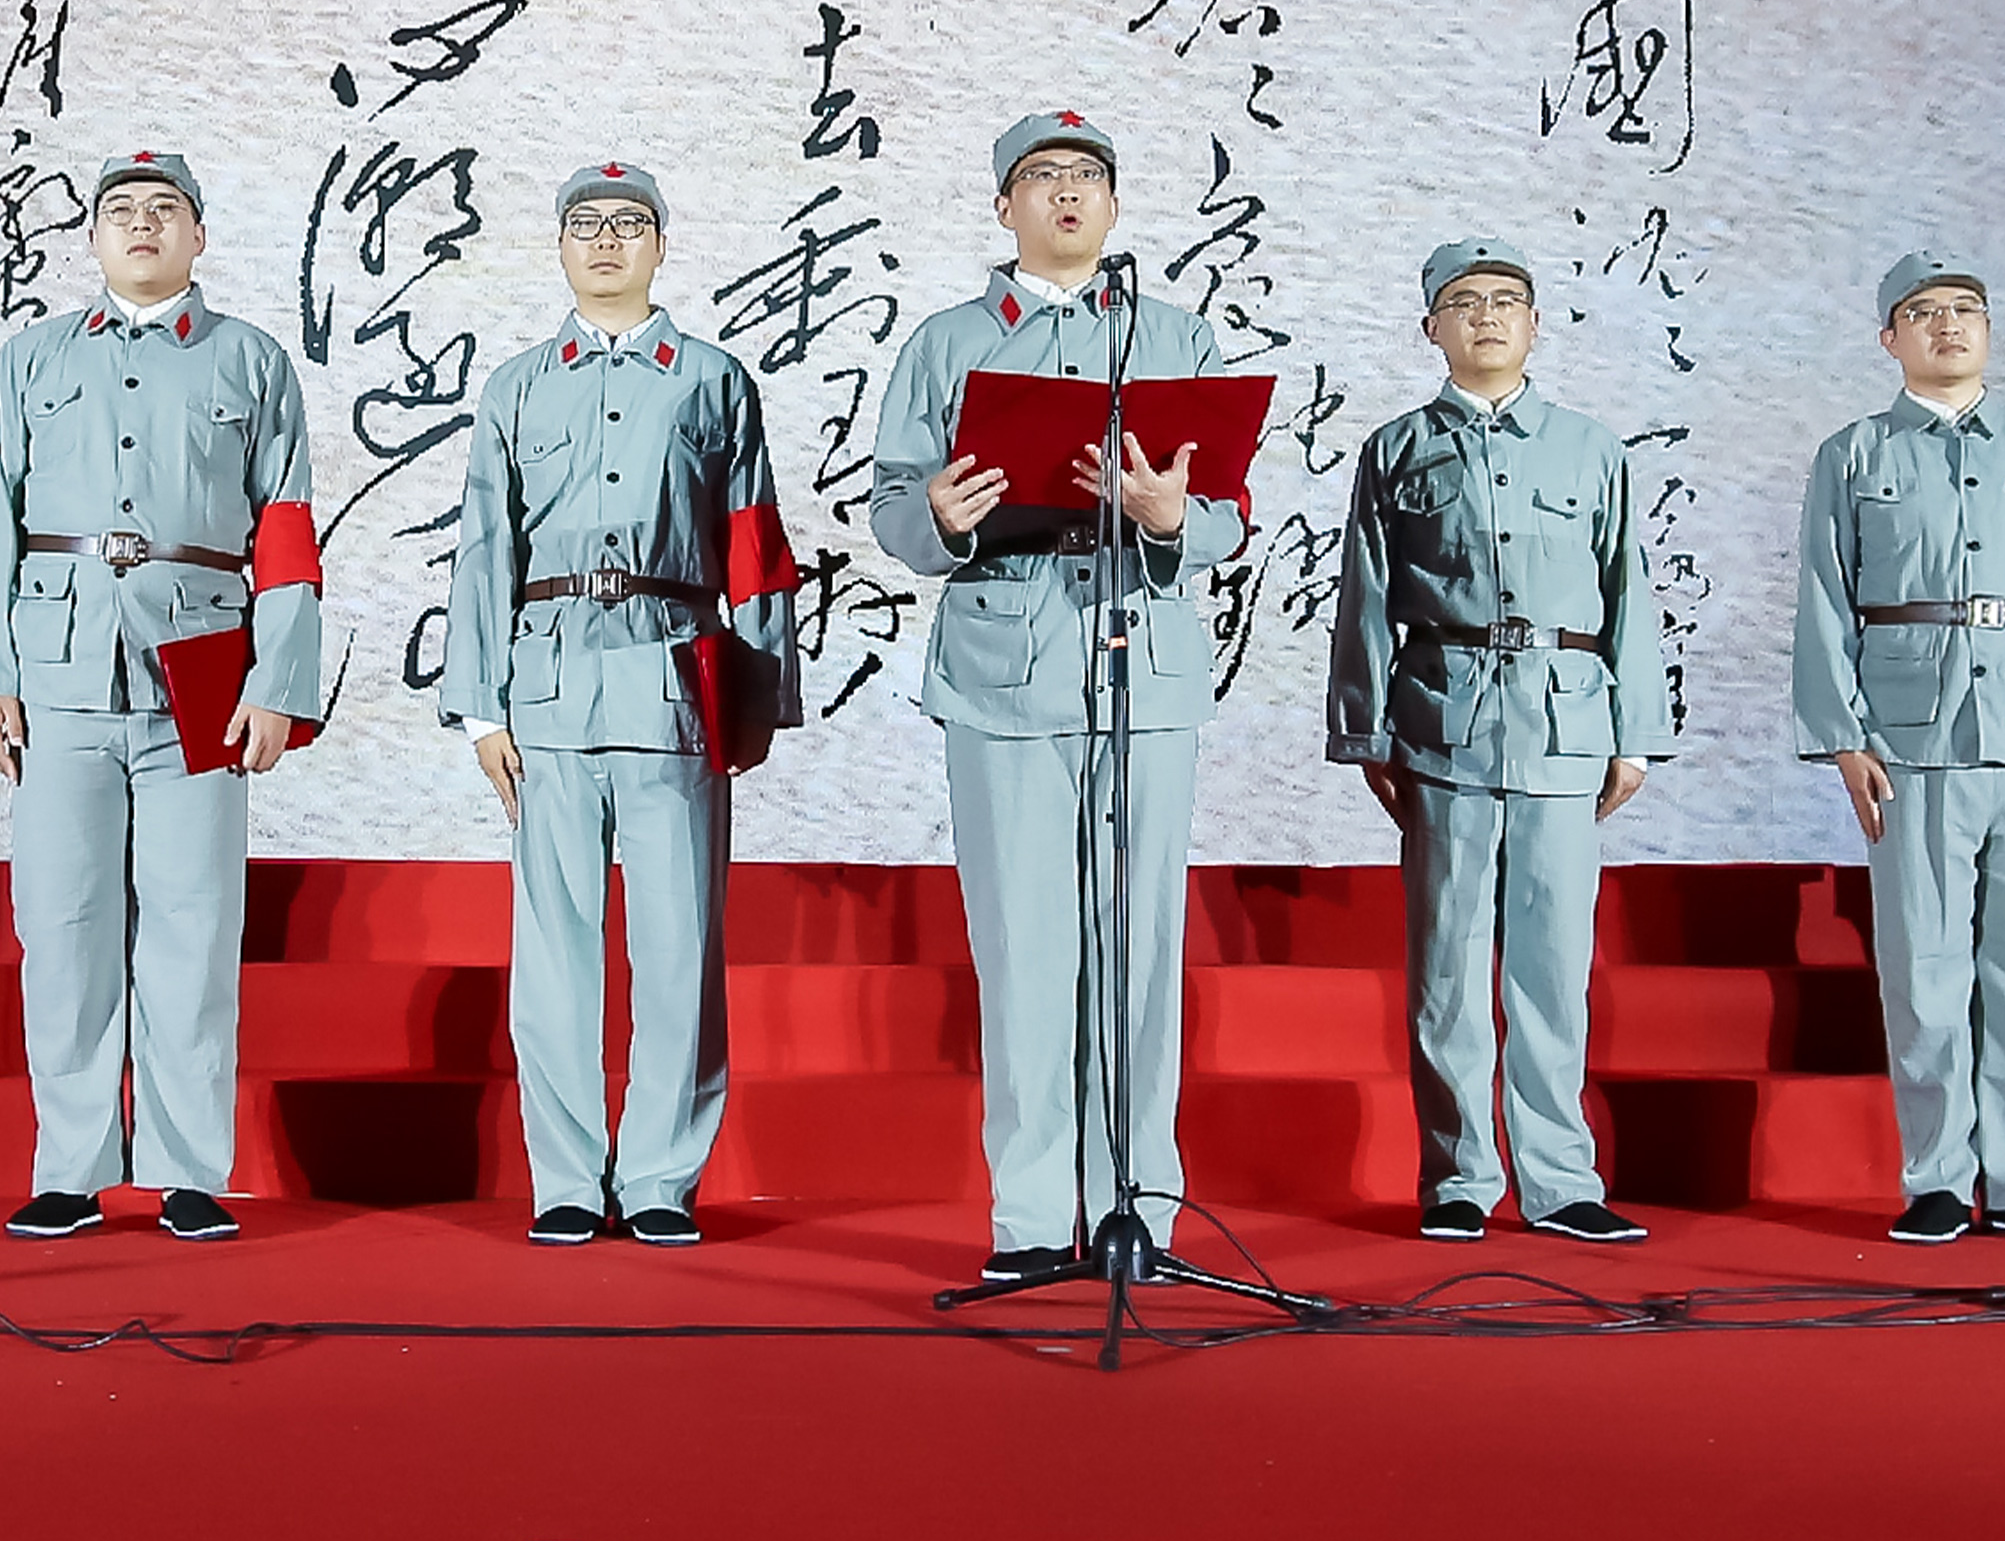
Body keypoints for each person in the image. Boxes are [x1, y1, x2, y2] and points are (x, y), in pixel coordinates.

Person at [870, 112, 1243, 1284]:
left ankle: (1139, 1207)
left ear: (1115, 204)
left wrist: (1174, 518)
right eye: (1043, 176)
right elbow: (890, 503)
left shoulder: (1172, 336)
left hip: (1144, 663)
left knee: (1139, 950)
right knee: (1026, 948)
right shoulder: (947, 340)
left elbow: (1226, 511)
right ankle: (1032, 1213)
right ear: (1005, 204)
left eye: (1088, 175)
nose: (1067, 192)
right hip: (1004, 666)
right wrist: (938, 514)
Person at [0, 152, 323, 1242]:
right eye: (121, 210)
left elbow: (287, 533)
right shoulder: (33, 357)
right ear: (95, 237)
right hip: (58, 668)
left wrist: (277, 683)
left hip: (201, 667)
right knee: (62, 920)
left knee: (193, 921)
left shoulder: (251, 360)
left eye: (165, 210)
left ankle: (187, 1168)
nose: (142, 224)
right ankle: (69, 1168)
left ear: (199, 236)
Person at [442, 161, 801, 1247]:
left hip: (674, 682)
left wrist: (756, 697)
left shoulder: (714, 381)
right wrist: (481, 709)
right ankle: (563, 1174)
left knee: (679, 941)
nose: (607, 240)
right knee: (556, 947)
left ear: (661, 244)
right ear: (560, 245)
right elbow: (484, 549)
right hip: (548, 688)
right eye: (586, 224)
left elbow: (755, 545)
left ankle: (658, 1174)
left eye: (629, 223)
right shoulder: (516, 386)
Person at [1326, 238, 1673, 1243]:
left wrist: (1635, 734)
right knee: (1447, 965)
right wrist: (1367, 732)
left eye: (1508, 299)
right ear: (1430, 325)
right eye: (1466, 300)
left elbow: (1628, 593)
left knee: (1553, 964)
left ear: (1535, 323)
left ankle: (1561, 1180)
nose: (1488, 315)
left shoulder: (1591, 448)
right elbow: (1365, 596)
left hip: (1566, 722)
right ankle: (1459, 1178)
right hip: (1445, 720)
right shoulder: (1397, 448)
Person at [1794, 252, 2005, 1245]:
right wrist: (1843, 736)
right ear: (1889, 337)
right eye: (1924, 312)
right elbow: (1822, 597)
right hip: (1912, 733)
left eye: (1965, 309)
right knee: (1926, 967)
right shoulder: (1853, 454)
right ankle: (1937, 1176)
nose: (1949, 324)